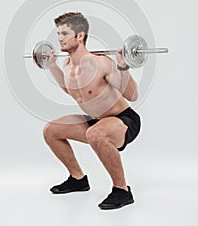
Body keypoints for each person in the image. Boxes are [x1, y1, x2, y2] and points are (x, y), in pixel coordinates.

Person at [43, 12, 141, 210]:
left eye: (64, 33)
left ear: (80, 36)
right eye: (58, 33)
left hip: (123, 121)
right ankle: (78, 179)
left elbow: (133, 95)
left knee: (94, 133)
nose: (59, 38)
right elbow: (71, 91)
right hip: (96, 121)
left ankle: (122, 190)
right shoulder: (67, 65)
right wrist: (52, 66)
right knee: (51, 130)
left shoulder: (101, 63)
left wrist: (123, 67)